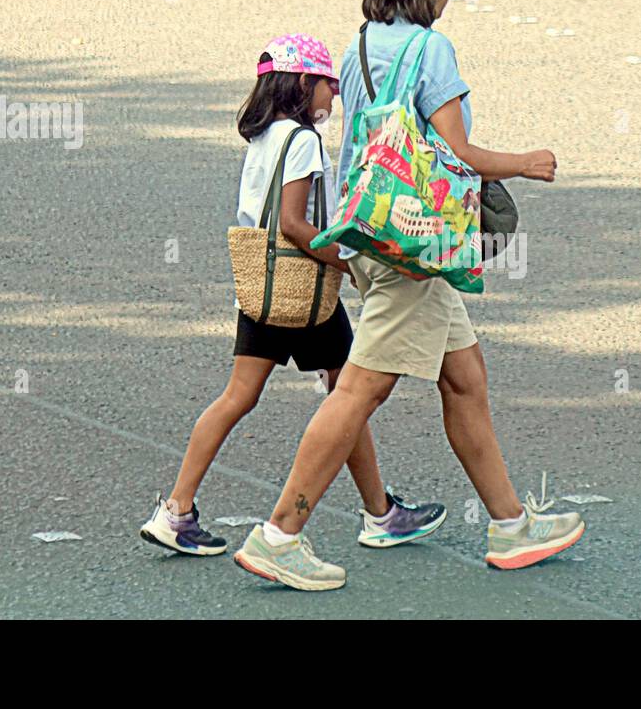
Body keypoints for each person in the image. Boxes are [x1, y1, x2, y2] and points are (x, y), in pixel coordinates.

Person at [232, 0, 585, 592]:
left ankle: (511, 524)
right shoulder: (433, 51)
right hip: (416, 242)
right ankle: (279, 534)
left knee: (465, 377)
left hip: (371, 226)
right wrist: (528, 163)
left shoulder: (362, 43)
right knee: (361, 387)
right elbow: (455, 153)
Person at [139, 33, 447, 558]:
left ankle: (176, 510)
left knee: (243, 397)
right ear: (304, 83)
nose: (334, 97)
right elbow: (294, 223)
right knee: (347, 396)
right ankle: (380, 515)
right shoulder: (302, 140)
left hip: (261, 285)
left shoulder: (264, 136)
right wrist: (344, 260)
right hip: (302, 290)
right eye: (328, 85)